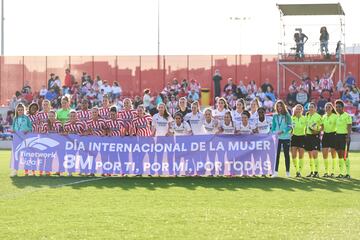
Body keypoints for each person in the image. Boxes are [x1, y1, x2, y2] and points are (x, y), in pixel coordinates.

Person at [271, 100, 292, 178]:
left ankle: (287, 172)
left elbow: (290, 126)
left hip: (286, 137)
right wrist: (272, 132)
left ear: (283, 106)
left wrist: (283, 131)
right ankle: (275, 172)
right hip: (277, 138)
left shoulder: (287, 115)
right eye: (278, 106)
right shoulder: (275, 116)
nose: (279, 108)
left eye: (280, 106)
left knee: (286, 154)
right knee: (277, 155)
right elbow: (273, 126)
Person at [11, 103, 33, 176]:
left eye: (21, 110)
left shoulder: (26, 118)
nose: (20, 111)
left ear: (24, 110)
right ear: (16, 110)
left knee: (26, 155)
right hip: (17, 138)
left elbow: (31, 128)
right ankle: (15, 170)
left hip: (25, 138)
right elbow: (13, 128)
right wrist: (13, 130)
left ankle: (28, 170)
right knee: (16, 154)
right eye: (19, 110)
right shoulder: (15, 118)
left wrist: (27, 130)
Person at [334, 100, 352, 178]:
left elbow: (349, 126)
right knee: (339, 155)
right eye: (336, 107)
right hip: (337, 136)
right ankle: (341, 173)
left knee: (345, 155)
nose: (338, 108)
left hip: (344, 136)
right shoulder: (336, 116)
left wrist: (348, 136)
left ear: (343, 107)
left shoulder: (347, 116)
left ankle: (348, 173)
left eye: (339, 107)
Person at [305, 102, 322, 178]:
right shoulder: (307, 116)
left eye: (312, 107)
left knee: (315, 154)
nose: (310, 108)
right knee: (310, 155)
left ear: (315, 108)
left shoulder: (318, 116)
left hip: (315, 136)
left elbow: (322, 126)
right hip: (308, 137)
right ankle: (311, 171)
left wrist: (318, 131)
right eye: (309, 107)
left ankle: (316, 172)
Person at [321, 102, 338, 178]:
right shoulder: (323, 116)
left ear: (332, 108)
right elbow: (322, 127)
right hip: (325, 135)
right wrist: (315, 129)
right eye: (326, 107)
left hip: (333, 135)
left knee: (333, 153)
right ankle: (326, 172)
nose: (327, 108)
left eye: (329, 107)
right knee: (324, 153)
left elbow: (339, 126)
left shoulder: (335, 116)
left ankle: (333, 172)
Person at [291, 104, 307, 177]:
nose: (298, 110)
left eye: (299, 109)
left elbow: (308, 128)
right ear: (295, 110)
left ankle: (299, 171)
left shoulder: (305, 118)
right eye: (297, 108)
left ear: (302, 110)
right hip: (294, 137)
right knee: (293, 155)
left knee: (301, 155)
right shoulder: (291, 118)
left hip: (302, 137)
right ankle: (297, 170)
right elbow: (289, 129)